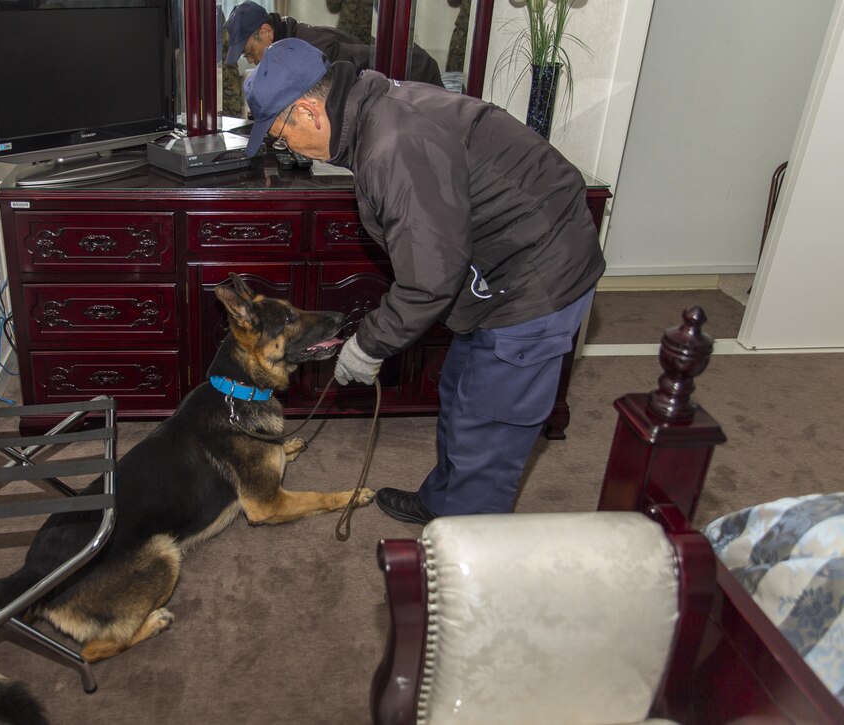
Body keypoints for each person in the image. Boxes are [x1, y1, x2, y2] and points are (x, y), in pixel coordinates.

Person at [241, 39, 606, 525]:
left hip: (536, 281)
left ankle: (468, 554)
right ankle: (443, 504)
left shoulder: (393, 145)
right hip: (492, 269)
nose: (287, 147)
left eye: (282, 136)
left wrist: (367, 346)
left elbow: (428, 280)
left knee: (489, 431)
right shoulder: (374, 110)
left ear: (308, 111)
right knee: (459, 395)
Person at [223, 1, 444, 89]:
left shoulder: (312, 50)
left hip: (414, 77)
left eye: (250, 53)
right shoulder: (291, 43)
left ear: (266, 32)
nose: (252, 61)